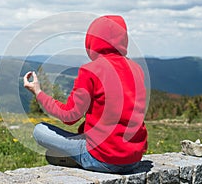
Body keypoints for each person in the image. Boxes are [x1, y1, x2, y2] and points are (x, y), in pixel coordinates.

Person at [23, 15, 148, 173]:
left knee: (40, 130)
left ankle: (79, 157)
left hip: (102, 158)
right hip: (134, 160)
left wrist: (38, 92)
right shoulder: (136, 69)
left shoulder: (90, 71)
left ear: (92, 41)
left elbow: (70, 116)